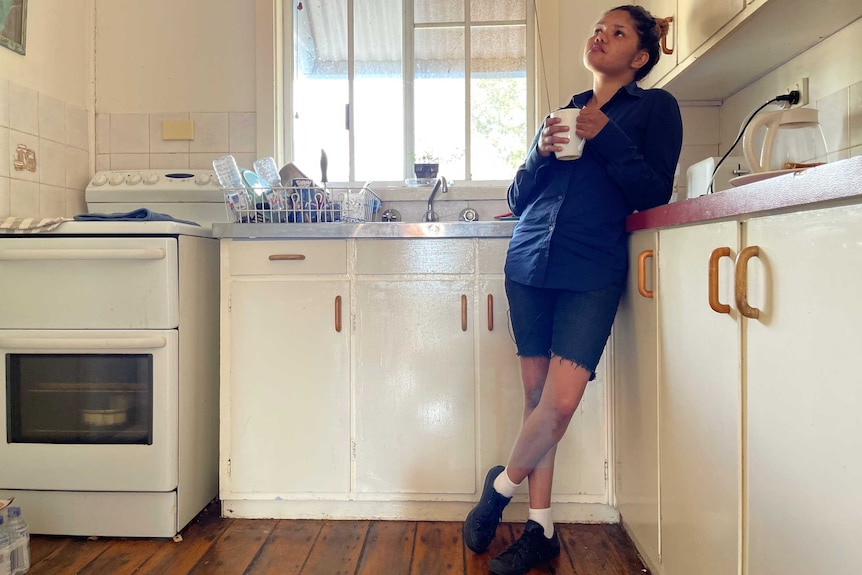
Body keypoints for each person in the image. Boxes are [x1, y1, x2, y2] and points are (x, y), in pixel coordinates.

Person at [462, 5, 682, 575]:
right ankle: (541, 528)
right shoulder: (562, 112)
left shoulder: (656, 108)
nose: (600, 36)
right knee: (537, 403)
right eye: (598, 28)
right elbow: (518, 197)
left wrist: (606, 137)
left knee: (559, 405)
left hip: (592, 267)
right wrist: (538, 152)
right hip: (529, 262)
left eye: (617, 32)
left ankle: (499, 489)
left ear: (639, 57)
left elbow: (652, 192)